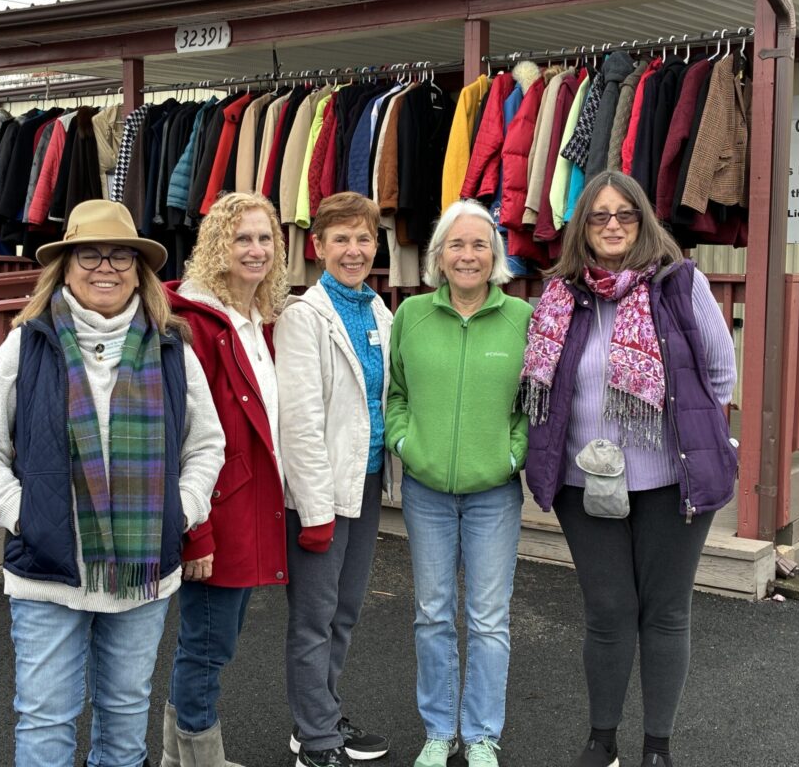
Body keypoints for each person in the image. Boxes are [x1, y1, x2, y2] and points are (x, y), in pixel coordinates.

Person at [0, 199, 226, 767]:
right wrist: (24, 513)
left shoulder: (173, 349)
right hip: (49, 571)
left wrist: (182, 507)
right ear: (66, 266)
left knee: (126, 721)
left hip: (144, 569)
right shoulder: (28, 346)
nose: (106, 268)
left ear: (139, 269)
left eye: (121, 256)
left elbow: (206, 445)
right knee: (46, 722)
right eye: (90, 255)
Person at [521, 171, 737, 767]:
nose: (612, 225)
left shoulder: (680, 286)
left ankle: (658, 746)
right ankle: (603, 739)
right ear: (582, 228)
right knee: (609, 609)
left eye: (625, 214)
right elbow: (542, 387)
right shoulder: (560, 298)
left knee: (666, 611)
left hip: (673, 479)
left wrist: (682, 433)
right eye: (598, 216)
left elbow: (721, 375)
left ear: (643, 221)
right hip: (581, 482)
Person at [385, 198, 532, 767]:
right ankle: (439, 731)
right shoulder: (411, 316)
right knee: (432, 612)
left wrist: (510, 454)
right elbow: (396, 394)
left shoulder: (522, 320)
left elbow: (531, 404)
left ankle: (482, 735)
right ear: (438, 257)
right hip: (426, 492)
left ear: (494, 255)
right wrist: (404, 443)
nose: (468, 255)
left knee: (490, 617)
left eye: (479, 244)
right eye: (456, 245)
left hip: (494, 490)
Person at [161, 191, 290, 767]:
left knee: (212, 643)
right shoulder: (195, 323)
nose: (256, 250)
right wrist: (198, 534)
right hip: (214, 512)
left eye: (265, 238)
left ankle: (177, 757)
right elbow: (185, 438)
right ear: (217, 244)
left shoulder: (259, 319)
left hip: (248, 504)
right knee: (207, 647)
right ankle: (200, 757)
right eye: (242, 238)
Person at [274, 191, 393, 767]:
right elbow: (298, 423)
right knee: (314, 617)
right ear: (317, 247)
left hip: (364, 483)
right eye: (340, 239)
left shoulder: (379, 313)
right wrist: (314, 510)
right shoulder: (304, 318)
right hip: (320, 495)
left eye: (363, 238)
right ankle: (314, 740)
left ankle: (322, 714)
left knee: (344, 610)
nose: (353, 250)